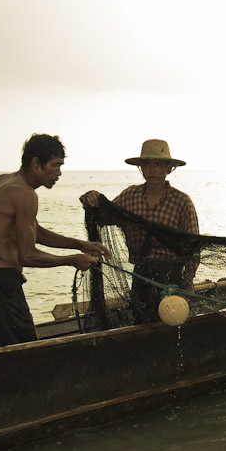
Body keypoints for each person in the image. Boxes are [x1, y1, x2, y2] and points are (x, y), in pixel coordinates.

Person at [0, 133, 110, 349]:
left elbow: (35, 231)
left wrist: (80, 245)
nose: (59, 173)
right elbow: (27, 255)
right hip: (2, 283)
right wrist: (71, 260)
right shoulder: (26, 194)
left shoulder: (3, 181)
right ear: (36, 163)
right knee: (26, 354)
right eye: (54, 166)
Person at [80, 139, 199, 324]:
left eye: (158, 165)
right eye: (147, 165)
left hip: (171, 278)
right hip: (141, 276)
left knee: (171, 326)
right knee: (141, 324)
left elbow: (193, 248)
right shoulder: (130, 196)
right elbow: (104, 216)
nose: (152, 170)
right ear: (141, 168)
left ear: (168, 169)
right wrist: (92, 198)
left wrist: (188, 283)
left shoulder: (182, 202)